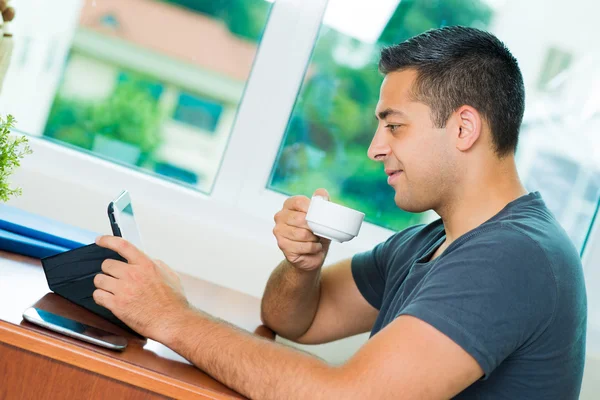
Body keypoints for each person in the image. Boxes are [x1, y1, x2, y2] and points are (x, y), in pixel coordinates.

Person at [93, 26, 587, 399]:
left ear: (463, 129)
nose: (375, 148)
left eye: (394, 127)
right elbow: (294, 320)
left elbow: (345, 397)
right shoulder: (432, 241)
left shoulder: (514, 257)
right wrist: (302, 266)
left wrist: (170, 318)